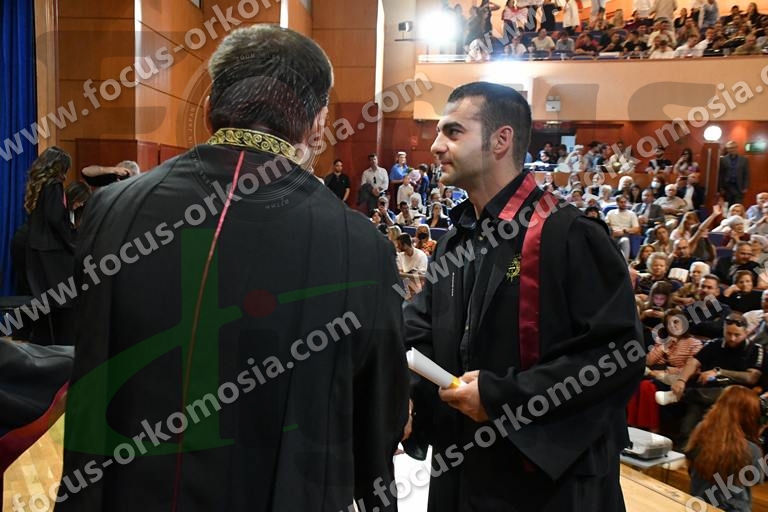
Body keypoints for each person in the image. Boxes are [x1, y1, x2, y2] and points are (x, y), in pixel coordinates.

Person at [57, 26, 409, 512]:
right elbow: (377, 419)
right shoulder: (363, 247)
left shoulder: (112, 208)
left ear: (209, 108)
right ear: (317, 124)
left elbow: (90, 358)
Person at [403, 82, 644, 511]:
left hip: (547, 485)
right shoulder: (454, 242)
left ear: (501, 140)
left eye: (453, 132)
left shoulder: (570, 235)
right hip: (462, 470)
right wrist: (400, 396)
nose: (436, 146)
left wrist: (502, 396)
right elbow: (418, 334)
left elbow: (616, 357)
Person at [23, 146, 76, 345]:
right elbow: (55, 218)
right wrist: (71, 242)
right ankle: (66, 344)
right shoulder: (54, 185)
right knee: (65, 300)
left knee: (45, 302)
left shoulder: (36, 185)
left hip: (35, 249)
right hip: (53, 251)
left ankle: (44, 343)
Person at [686, 386, 764, 512]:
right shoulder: (752, 449)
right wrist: (756, 435)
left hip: (698, 505)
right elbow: (755, 478)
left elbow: (690, 465)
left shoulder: (700, 431)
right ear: (750, 415)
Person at [718, 140, 750, 206]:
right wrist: (721, 187)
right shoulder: (723, 159)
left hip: (739, 187)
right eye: (729, 148)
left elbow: (746, 174)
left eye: (733, 147)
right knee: (727, 206)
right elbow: (720, 174)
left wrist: (745, 187)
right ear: (727, 149)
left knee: (737, 206)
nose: (732, 149)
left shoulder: (744, 160)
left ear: (736, 148)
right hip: (727, 187)